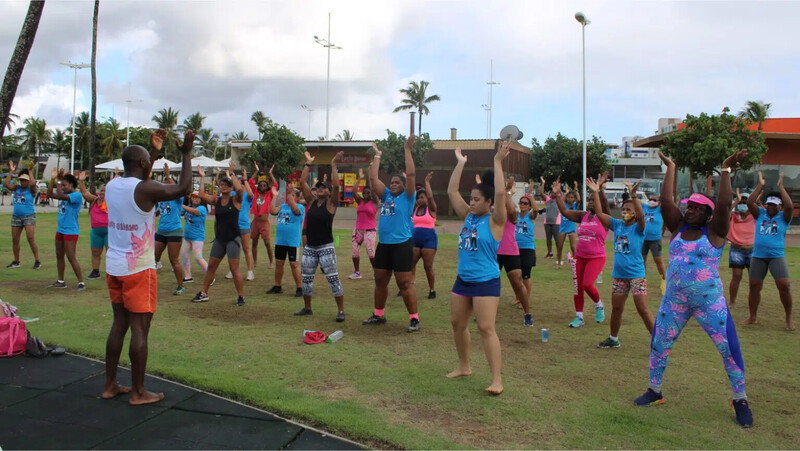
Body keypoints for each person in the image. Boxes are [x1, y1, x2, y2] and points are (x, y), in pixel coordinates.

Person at [634, 150, 752, 429]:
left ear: (708, 214)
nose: (691, 210)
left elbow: (724, 205)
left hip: (710, 304)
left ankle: (740, 399)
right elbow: (666, 201)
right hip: (674, 302)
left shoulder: (715, 231)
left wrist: (725, 170)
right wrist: (671, 167)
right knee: (659, 344)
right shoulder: (676, 226)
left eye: (699, 208)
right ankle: (654, 390)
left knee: (729, 349)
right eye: (690, 206)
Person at [103, 128, 194, 405]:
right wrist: (186, 154)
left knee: (119, 324)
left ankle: (110, 385)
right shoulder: (145, 189)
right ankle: (139, 392)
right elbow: (184, 189)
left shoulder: (112, 185)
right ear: (143, 165)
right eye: (148, 161)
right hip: (139, 269)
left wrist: (151, 152)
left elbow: (139, 177)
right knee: (140, 328)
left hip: (115, 265)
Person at [446, 144, 510, 395]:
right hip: (463, 280)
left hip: (486, 281)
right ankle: (464, 366)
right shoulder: (469, 216)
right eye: (470, 199)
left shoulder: (496, 221)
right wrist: (460, 163)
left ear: (489, 202)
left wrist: (497, 161)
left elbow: (502, 194)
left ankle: (497, 380)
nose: (471, 203)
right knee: (457, 324)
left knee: (486, 327)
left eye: (476, 199)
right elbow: (452, 191)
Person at [586, 179, 654, 348]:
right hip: (619, 276)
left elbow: (641, 215)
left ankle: (659, 341)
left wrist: (633, 196)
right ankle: (613, 338)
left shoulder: (639, 228)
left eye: (628, 210)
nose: (624, 212)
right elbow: (601, 214)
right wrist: (596, 191)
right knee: (616, 309)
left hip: (637, 275)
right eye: (623, 209)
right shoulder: (617, 225)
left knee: (643, 309)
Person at [362, 136, 421, 333]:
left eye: (397, 182)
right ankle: (378, 314)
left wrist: (407, 150)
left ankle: (414, 319)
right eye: (392, 182)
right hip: (384, 245)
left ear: (404, 186)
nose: (393, 184)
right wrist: (377, 156)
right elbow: (373, 179)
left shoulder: (408, 196)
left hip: (402, 245)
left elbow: (411, 174)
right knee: (379, 279)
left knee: (404, 282)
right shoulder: (386, 195)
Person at [554, 174, 610, 328]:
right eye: (589, 200)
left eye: (593, 200)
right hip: (580, 256)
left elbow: (599, 210)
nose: (591, 202)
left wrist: (597, 191)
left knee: (587, 284)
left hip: (596, 257)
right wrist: (558, 194)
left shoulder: (605, 218)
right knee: (577, 287)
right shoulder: (584, 216)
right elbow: (565, 212)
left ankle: (599, 305)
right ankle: (579, 316)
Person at [296, 151, 345, 321]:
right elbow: (302, 182)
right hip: (310, 247)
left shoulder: (332, 204)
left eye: (325, 188)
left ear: (330, 192)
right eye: (319, 187)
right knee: (307, 278)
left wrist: (333, 165)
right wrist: (308, 164)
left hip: (326, 247)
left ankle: (340, 311)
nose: (321, 189)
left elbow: (337, 186)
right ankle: (307, 307)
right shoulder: (311, 201)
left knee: (332, 278)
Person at [744, 172, 794, 330]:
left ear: (779, 206)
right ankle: (752, 317)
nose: (770, 207)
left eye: (774, 205)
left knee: (784, 285)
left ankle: (788, 318)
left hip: (776, 256)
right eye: (769, 204)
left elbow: (790, 206)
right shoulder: (761, 214)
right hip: (758, 256)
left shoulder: (783, 217)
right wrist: (760, 185)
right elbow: (750, 202)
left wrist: (780, 186)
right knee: (754, 285)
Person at [191, 162, 246, 306]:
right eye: (221, 184)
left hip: (233, 239)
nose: (223, 186)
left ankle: (241, 296)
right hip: (220, 239)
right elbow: (202, 195)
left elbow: (240, 190)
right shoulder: (217, 200)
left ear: (231, 187)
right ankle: (204, 293)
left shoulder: (236, 200)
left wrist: (232, 173)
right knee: (211, 267)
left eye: (226, 185)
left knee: (234, 269)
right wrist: (202, 177)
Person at [495, 176, 533, 326]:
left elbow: (509, 208)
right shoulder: (494, 212)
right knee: (490, 282)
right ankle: (485, 312)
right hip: (495, 252)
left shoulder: (513, 213)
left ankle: (527, 314)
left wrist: (508, 192)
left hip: (510, 251)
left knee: (517, 283)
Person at [47, 168, 85, 290]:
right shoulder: (66, 195)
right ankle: (60, 280)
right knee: (59, 255)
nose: (62, 187)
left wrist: (58, 181)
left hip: (71, 231)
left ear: (72, 184)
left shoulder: (76, 195)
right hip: (61, 230)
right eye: (62, 185)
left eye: (65, 185)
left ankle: (81, 282)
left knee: (70, 256)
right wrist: (53, 180)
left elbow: (61, 195)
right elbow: (50, 195)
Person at [267, 184, 305, 296]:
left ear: (297, 198)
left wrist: (289, 194)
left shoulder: (300, 207)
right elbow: (272, 211)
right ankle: (277, 286)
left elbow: (295, 210)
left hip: (292, 242)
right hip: (280, 241)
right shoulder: (283, 207)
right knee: (279, 263)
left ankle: (299, 288)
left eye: (293, 195)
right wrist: (275, 196)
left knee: (294, 264)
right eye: (289, 195)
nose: (289, 197)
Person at [153, 164, 185, 295]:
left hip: (174, 231)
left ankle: (180, 286)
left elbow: (176, 189)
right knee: (153, 257)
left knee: (174, 260)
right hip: (161, 230)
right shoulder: (161, 199)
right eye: (163, 185)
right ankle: (149, 281)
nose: (165, 187)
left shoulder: (178, 198)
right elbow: (157, 211)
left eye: (168, 185)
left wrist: (168, 176)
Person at [4, 160, 41, 269]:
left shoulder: (31, 189)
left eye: (25, 180)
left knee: (30, 238)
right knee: (15, 239)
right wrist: (11, 171)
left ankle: (37, 260)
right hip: (16, 216)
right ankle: (16, 261)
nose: (23, 182)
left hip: (28, 216)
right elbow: (7, 184)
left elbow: (33, 184)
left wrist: (30, 171)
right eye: (21, 180)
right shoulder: (17, 188)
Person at [512, 182, 539, 322]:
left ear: (528, 206)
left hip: (527, 248)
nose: (522, 205)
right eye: (521, 202)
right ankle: (519, 297)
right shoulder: (516, 216)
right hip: (515, 248)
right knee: (517, 275)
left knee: (526, 276)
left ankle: (526, 299)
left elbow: (536, 209)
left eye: (525, 203)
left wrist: (530, 194)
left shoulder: (531, 216)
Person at [411, 171, 438, 299]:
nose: (421, 199)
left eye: (423, 197)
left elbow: (431, 198)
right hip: (415, 240)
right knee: (410, 264)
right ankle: (407, 286)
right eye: (419, 197)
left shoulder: (431, 209)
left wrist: (427, 183)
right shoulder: (415, 209)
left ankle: (432, 290)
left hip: (429, 241)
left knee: (427, 266)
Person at [77, 172, 109, 280]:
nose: (103, 192)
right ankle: (95, 271)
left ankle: (112, 273)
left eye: (105, 191)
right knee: (95, 252)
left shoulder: (111, 201)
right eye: (102, 190)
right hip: (96, 232)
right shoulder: (95, 200)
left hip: (109, 231)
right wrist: (81, 181)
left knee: (110, 252)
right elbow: (85, 194)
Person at [349, 168, 379, 280]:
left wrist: (370, 176)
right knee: (355, 252)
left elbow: (373, 190)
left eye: (368, 192)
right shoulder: (360, 201)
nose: (366, 193)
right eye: (364, 192)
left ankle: (376, 272)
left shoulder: (375, 202)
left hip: (370, 230)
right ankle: (357, 272)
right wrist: (360, 179)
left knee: (371, 252)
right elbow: (353, 191)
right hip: (358, 230)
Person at [727, 189, 755, 308]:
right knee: (736, 276)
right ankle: (732, 301)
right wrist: (735, 202)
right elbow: (725, 213)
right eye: (740, 202)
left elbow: (760, 208)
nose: (742, 204)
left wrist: (754, 202)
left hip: (752, 250)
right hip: (736, 249)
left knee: (754, 279)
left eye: (745, 202)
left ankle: (753, 300)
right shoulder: (733, 216)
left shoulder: (755, 216)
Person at [227, 168, 256, 281]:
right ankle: (232, 270)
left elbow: (250, 193)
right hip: (232, 225)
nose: (241, 185)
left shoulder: (247, 197)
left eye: (242, 184)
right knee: (233, 249)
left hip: (244, 225)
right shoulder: (232, 194)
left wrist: (245, 180)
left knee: (246, 248)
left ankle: (250, 272)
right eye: (239, 183)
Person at [250, 163, 275, 270]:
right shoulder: (256, 194)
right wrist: (256, 171)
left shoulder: (269, 195)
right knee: (254, 242)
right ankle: (254, 261)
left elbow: (275, 185)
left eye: (265, 185)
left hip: (264, 223)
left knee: (267, 243)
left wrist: (270, 173)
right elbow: (250, 182)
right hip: (255, 222)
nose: (263, 186)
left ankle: (271, 262)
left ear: (267, 186)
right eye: (261, 185)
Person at [180, 189, 209, 283]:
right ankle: (188, 276)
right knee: (184, 255)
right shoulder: (188, 206)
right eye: (194, 197)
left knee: (198, 257)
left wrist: (182, 205)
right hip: (187, 237)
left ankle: (210, 276)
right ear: (191, 198)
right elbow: (180, 213)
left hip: (198, 237)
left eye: (198, 197)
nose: (196, 199)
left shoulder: (202, 208)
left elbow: (194, 212)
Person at [641, 193, 666, 294]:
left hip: (655, 239)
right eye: (650, 199)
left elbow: (668, 200)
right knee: (642, 260)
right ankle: (641, 281)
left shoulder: (660, 210)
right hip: (643, 238)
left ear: (659, 202)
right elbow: (634, 199)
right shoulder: (645, 207)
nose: (652, 201)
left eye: (655, 200)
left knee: (658, 260)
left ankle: (664, 281)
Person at [556, 182, 580, 268]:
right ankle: (559, 262)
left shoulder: (575, 206)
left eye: (572, 197)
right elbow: (560, 200)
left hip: (571, 228)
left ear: (574, 199)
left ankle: (575, 263)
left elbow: (579, 200)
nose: (570, 199)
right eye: (569, 197)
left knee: (573, 247)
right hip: (562, 228)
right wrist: (566, 192)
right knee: (560, 246)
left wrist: (576, 188)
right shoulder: (564, 205)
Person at [539, 176, 561, 259]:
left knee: (557, 239)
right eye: (552, 192)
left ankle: (559, 253)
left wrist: (557, 186)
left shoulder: (558, 200)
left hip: (556, 223)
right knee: (548, 239)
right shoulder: (548, 200)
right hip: (547, 222)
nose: (553, 194)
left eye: (554, 193)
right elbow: (541, 193)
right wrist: (543, 183)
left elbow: (559, 193)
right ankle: (550, 252)